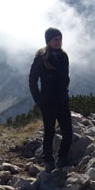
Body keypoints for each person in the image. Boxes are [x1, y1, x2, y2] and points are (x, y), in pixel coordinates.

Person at [29, 27, 73, 171]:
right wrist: (38, 100)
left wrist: (65, 93)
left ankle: (62, 157)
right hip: (47, 101)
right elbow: (32, 80)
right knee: (49, 131)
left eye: (60, 39)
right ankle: (48, 159)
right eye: (55, 39)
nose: (59, 42)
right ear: (49, 41)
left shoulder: (63, 56)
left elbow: (66, 77)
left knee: (68, 131)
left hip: (62, 100)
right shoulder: (41, 58)